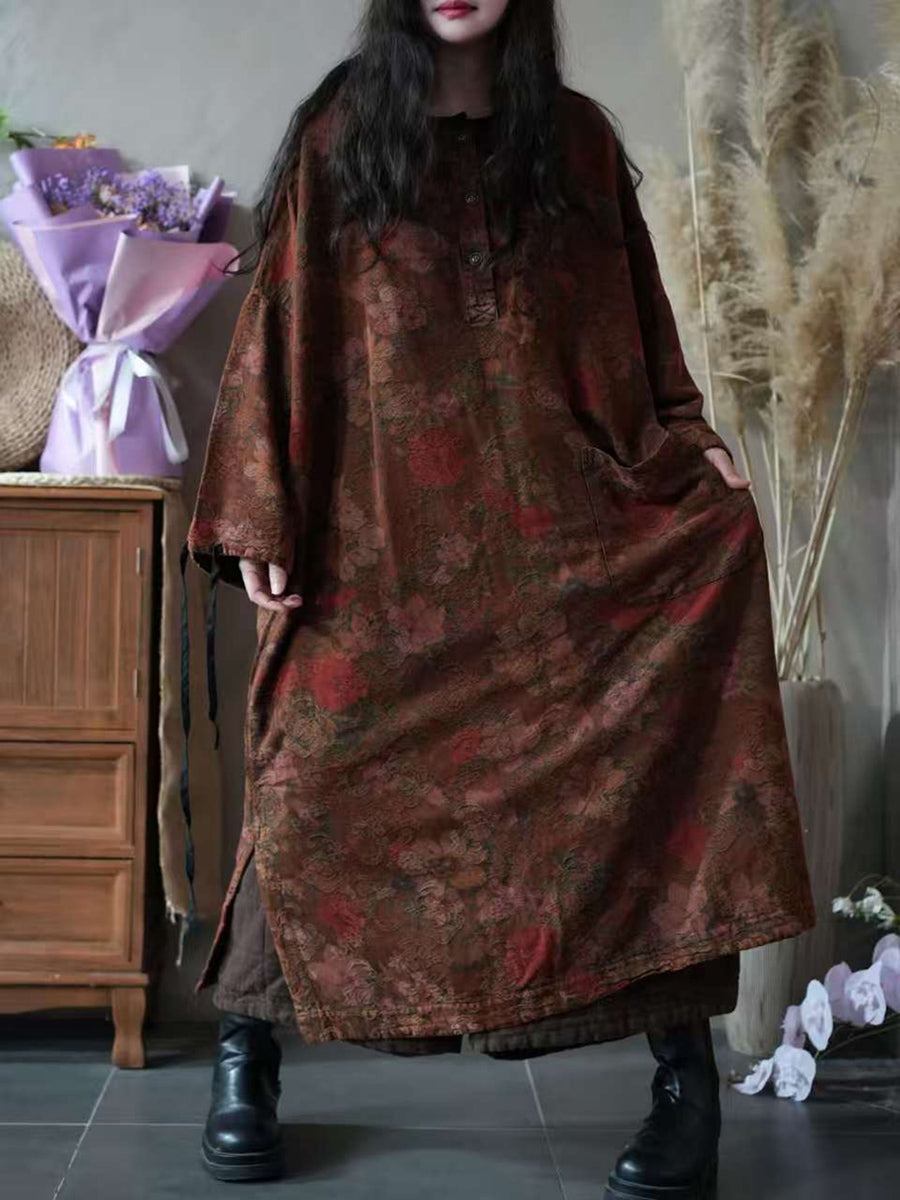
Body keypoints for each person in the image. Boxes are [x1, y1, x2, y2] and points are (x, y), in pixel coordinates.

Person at [181, 1, 817, 1194]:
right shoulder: (342, 139)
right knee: (305, 771)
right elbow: (280, 327)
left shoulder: (574, 144)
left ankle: (683, 1082)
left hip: (565, 552)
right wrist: (259, 512)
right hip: (382, 555)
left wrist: (689, 444)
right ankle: (247, 1047)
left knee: (649, 769)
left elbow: (639, 336)